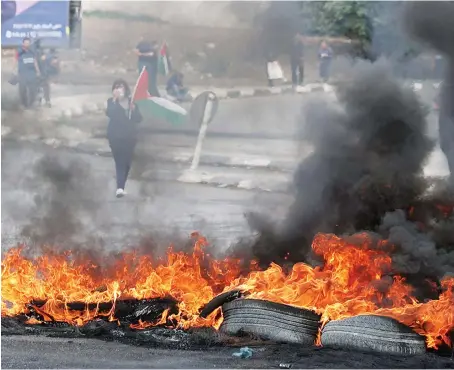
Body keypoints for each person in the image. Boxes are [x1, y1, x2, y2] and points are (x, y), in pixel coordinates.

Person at [105, 79, 143, 198]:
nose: (118, 89)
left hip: (129, 136)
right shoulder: (111, 102)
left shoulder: (131, 102)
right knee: (120, 162)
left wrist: (133, 109)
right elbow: (110, 113)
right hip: (115, 136)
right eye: (116, 87)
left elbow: (139, 119)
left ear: (125, 89)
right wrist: (116, 101)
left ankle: (121, 186)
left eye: (121, 87)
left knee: (127, 163)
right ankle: (120, 188)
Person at [16, 37, 40, 108]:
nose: (27, 44)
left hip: (31, 73)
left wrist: (38, 71)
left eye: (28, 43)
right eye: (25, 43)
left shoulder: (32, 51)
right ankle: (24, 104)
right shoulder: (19, 51)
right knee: (22, 90)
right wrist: (14, 71)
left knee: (33, 89)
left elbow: (35, 61)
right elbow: (15, 60)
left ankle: (31, 104)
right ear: (23, 43)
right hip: (23, 73)